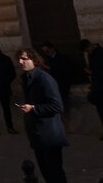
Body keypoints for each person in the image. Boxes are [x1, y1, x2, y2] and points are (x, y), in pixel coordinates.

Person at [17, 47, 69, 183]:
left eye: (24, 58)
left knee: (55, 173)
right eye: (19, 59)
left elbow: (57, 106)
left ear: (34, 60)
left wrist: (33, 108)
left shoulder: (44, 79)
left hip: (50, 135)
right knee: (46, 172)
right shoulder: (26, 78)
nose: (20, 62)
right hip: (38, 135)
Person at [81, 38, 103, 140]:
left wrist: (93, 73)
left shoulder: (102, 53)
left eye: (88, 50)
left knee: (102, 108)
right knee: (101, 108)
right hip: (98, 85)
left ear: (89, 46)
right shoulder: (92, 54)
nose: (88, 52)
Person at [40, 42, 72, 115]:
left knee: (64, 109)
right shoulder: (47, 59)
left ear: (52, 49)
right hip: (53, 87)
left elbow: (65, 71)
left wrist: (50, 68)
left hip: (62, 85)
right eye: (44, 52)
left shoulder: (62, 57)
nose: (46, 53)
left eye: (47, 51)